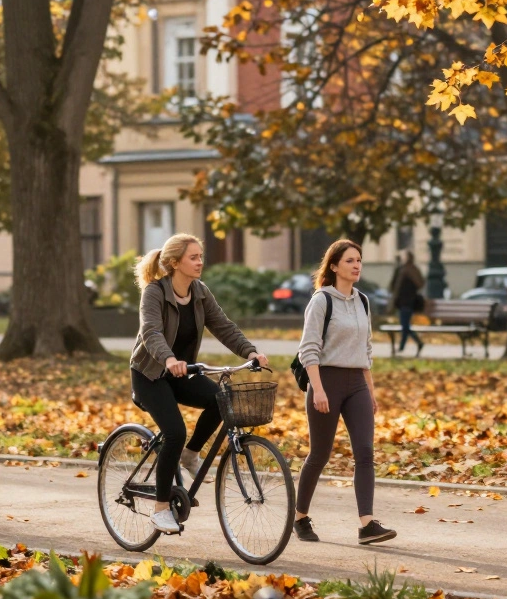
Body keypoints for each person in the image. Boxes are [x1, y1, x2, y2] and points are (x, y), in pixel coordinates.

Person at [129, 233, 270, 535]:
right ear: (174, 262)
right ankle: (160, 508)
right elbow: (151, 331)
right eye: (193, 257)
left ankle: (189, 455)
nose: (200, 262)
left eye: (200, 256)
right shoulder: (155, 293)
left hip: (183, 372)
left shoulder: (200, 292)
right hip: (151, 374)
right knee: (175, 431)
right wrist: (168, 359)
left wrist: (251, 351)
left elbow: (224, 326)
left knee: (222, 399)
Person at [293, 239, 396, 545]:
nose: (356, 265)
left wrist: (371, 391)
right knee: (320, 454)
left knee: (365, 452)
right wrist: (318, 390)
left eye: (359, 260)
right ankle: (300, 517)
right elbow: (308, 349)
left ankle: (367, 524)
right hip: (325, 381)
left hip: (357, 385)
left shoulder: (363, 301)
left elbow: (365, 350)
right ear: (334, 266)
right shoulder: (321, 301)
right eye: (350, 260)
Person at [388, 251, 426, 356]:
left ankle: (417, 343)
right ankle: (401, 347)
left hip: (407, 302)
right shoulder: (404, 269)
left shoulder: (407, 270)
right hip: (404, 302)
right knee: (405, 326)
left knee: (405, 326)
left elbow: (396, 287)